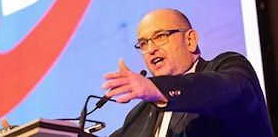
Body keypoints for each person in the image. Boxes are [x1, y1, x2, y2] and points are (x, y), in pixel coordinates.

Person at [102, 8, 274, 137]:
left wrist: (160, 89)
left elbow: (228, 91)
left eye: (160, 36)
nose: (151, 49)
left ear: (190, 40)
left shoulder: (227, 66)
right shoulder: (140, 114)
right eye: (143, 44)